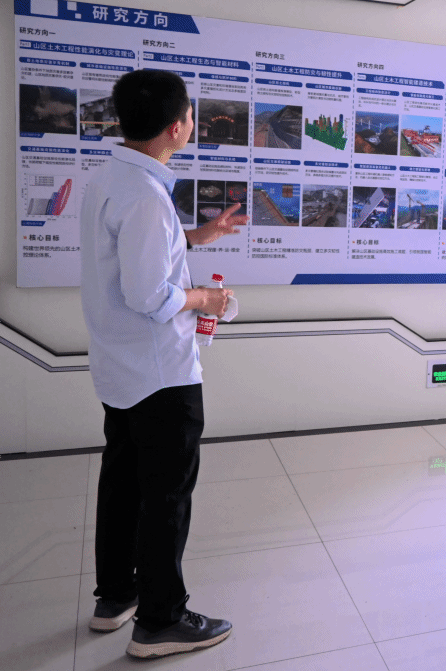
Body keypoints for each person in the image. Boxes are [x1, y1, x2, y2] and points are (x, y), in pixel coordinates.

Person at [81, 70, 248, 659]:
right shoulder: (148, 197)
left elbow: (133, 253)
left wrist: (196, 236)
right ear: (177, 127)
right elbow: (151, 295)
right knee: (166, 497)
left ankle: (116, 597)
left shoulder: (112, 178)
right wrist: (208, 299)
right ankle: (161, 620)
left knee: (122, 483)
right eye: (192, 116)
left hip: (120, 366)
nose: (194, 124)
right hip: (161, 375)